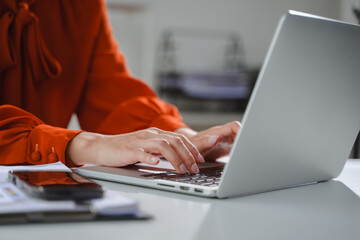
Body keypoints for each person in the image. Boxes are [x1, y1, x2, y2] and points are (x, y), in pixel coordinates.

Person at [0, 0, 240, 174]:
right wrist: (84, 145)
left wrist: (183, 139)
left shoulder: (85, 5)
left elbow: (112, 96)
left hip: (40, 190)